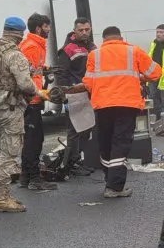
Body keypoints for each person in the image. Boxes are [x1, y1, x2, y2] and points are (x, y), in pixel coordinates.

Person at [0, 17, 49, 213]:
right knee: (10, 151)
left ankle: (2, 195)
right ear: (19, 34)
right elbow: (25, 84)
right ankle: (2, 198)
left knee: (2, 147)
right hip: (10, 107)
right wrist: (38, 92)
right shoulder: (14, 54)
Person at [83, 26, 161, 198]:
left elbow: (88, 82)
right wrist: (139, 77)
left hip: (102, 105)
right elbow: (155, 73)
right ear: (120, 37)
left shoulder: (94, 55)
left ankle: (109, 179)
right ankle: (115, 187)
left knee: (106, 142)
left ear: (104, 40)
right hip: (127, 104)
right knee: (121, 142)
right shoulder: (133, 51)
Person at [18, 13, 57, 191]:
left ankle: (26, 177)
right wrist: (39, 93)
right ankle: (33, 178)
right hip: (30, 100)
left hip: (33, 98)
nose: (49, 29)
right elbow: (25, 75)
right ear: (39, 28)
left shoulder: (36, 45)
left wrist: (45, 69)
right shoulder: (32, 46)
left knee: (32, 139)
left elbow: (33, 69)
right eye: (47, 26)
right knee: (33, 140)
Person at [55, 18, 97, 175]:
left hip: (91, 94)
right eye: (81, 30)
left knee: (86, 129)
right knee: (74, 131)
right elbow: (61, 75)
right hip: (74, 94)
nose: (84, 32)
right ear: (75, 31)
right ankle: (71, 164)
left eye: (87, 29)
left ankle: (80, 160)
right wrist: (65, 95)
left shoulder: (93, 47)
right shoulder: (67, 49)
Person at [148, 24, 164, 121]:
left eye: (161, 32)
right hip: (153, 75)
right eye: (157, 32)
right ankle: (159, 119)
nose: (158, 34)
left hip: (162, 77)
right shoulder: (153, 43)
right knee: (153, 97)